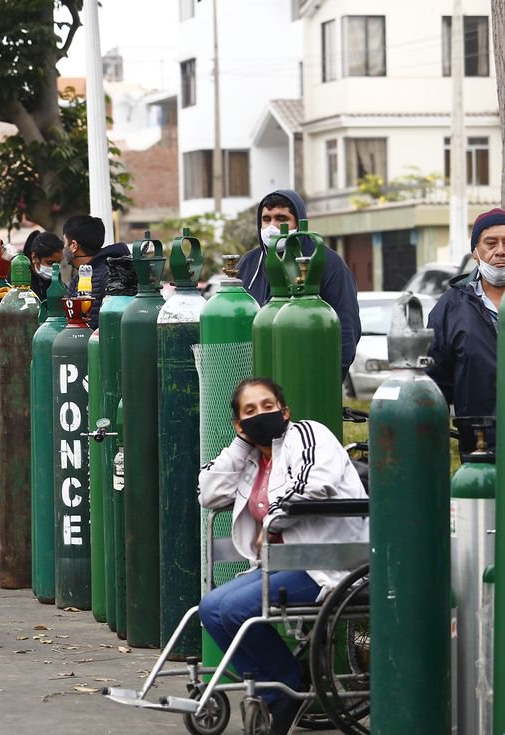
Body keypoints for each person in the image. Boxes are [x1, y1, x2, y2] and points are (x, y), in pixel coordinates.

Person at [197, 377, 368, 734]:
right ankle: (282, 685)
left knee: (236, 609)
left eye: (267, 406)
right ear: (239, 424)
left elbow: (313, 485)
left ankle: (284, 689)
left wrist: (273, 519)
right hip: (278, 566)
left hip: (326, 563)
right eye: (249, 411)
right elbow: (209, 492)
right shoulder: (252, 460)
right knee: (211, 609)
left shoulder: (308, 435)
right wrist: (242, 443)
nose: (261, 414)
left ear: (284, 411)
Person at [237, 190, 361, 378]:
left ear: (299, 222)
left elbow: (346, 328)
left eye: (281, 218)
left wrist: (329, 381)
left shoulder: (326, 264)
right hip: (255, 383)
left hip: (306, 378)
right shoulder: (249, 264)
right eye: (266, 219)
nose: (272, 227)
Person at [428, 207, 505, 422]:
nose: (500, 251)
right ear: (475, 252)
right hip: (480, 441)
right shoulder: (450, 308)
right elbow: (436, 382)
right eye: (491, 244)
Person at [62, 214, 128, 330]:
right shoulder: (77, 279)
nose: (64, 248)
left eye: (65, 243)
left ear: (74, 246)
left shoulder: (110, 274)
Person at [22, 231, 65, 302]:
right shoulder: (21, 279)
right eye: (50, 262)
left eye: (59, 262)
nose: (55, 268)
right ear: (34, 257)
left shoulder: (57, 282)